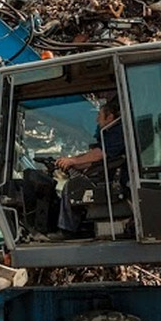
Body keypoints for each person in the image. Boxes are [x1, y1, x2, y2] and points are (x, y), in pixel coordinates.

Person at [50, 96, 126, 240]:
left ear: (110, 117)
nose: (97, 120)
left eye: (99, 116)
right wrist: (74, 163)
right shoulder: (109, 133)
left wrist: (73, 161)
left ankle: (67, 230)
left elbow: (100, 154)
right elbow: (95, 157)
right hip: (105, 173)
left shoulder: (117, 131)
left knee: (72, 187)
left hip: (113, 179)